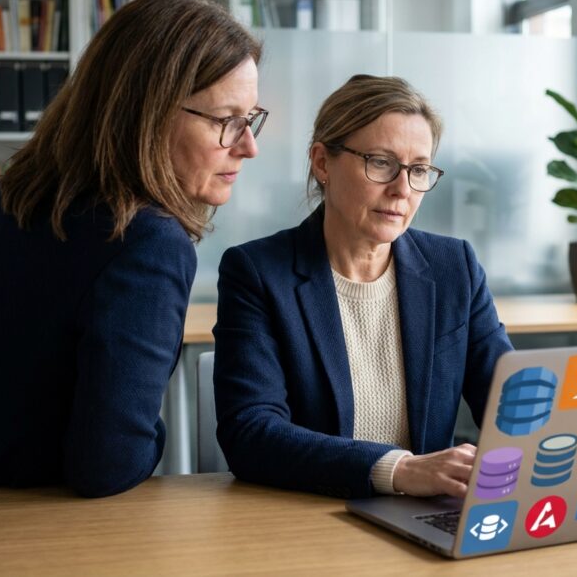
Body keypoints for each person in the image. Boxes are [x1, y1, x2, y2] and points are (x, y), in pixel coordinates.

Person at [0, 0, 266, 497]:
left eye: (250, 119)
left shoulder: (20, 190)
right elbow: (109, 466)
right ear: (150, 111)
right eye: (227, 119)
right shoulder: (149, 242)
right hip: (29, 529)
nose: (248, 146)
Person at [213, 74, 511, 499]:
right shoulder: (258, 272)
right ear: (322, 162)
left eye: (419, 169)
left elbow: (509, 404)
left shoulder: (454, 268)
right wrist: (398, 470)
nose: (402, 190)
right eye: (381, 163)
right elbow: (251, 433)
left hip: (423, 519)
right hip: (311, 515)